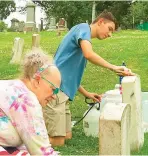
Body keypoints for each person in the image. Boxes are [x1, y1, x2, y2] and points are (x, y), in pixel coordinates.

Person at [43, 10, 134, 147]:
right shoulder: (83, 28)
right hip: (54, 91)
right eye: (109, 29)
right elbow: (89, 54)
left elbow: (70, 76)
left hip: (64, 95)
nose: (109, 34)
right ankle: (29, 137)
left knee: (67, 137)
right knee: (57, 142)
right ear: (100, 22)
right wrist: (113, 67)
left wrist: (87, 94)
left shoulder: (81, 40)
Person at [0, 51, 61, 155]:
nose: (54, 96)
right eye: (53, 89)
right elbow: (41, 151)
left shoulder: (14, 87)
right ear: (37, 80)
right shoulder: (25, 100)